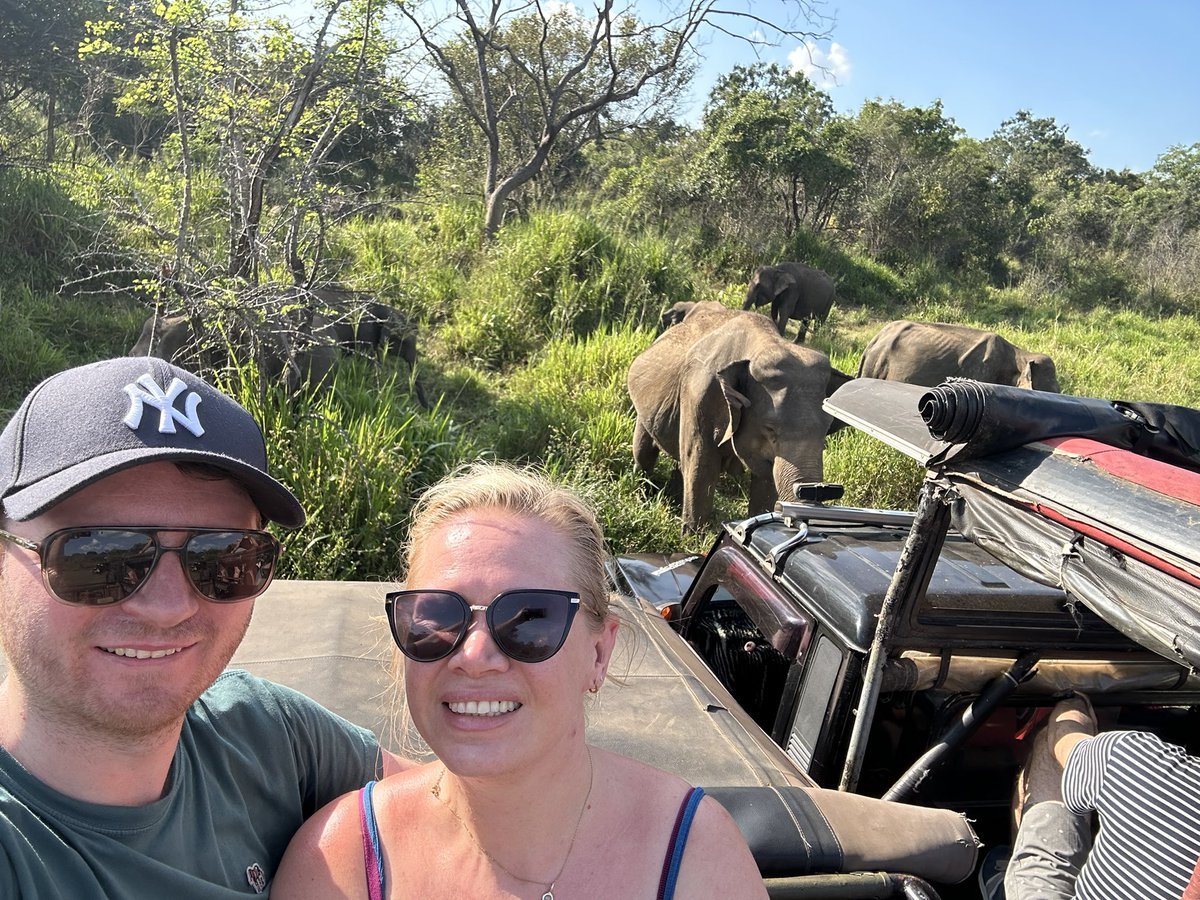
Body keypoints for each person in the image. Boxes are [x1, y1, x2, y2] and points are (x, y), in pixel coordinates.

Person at [0, 356, 406, 897]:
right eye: (99, 555)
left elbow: (461, 808)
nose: (167, 606)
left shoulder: (268, 735)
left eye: (222, 557)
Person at [272, 463, 767, 899]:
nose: (474, 656)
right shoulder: (339, 864)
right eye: (438, 619)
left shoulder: (699, 860)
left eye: (530, 621)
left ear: (598, 653)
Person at [999, 694, 1200, 900]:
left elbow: (1064, 733)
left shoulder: (1144, 763)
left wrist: (1075, 699)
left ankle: (1008, 877)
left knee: (1051, 744)